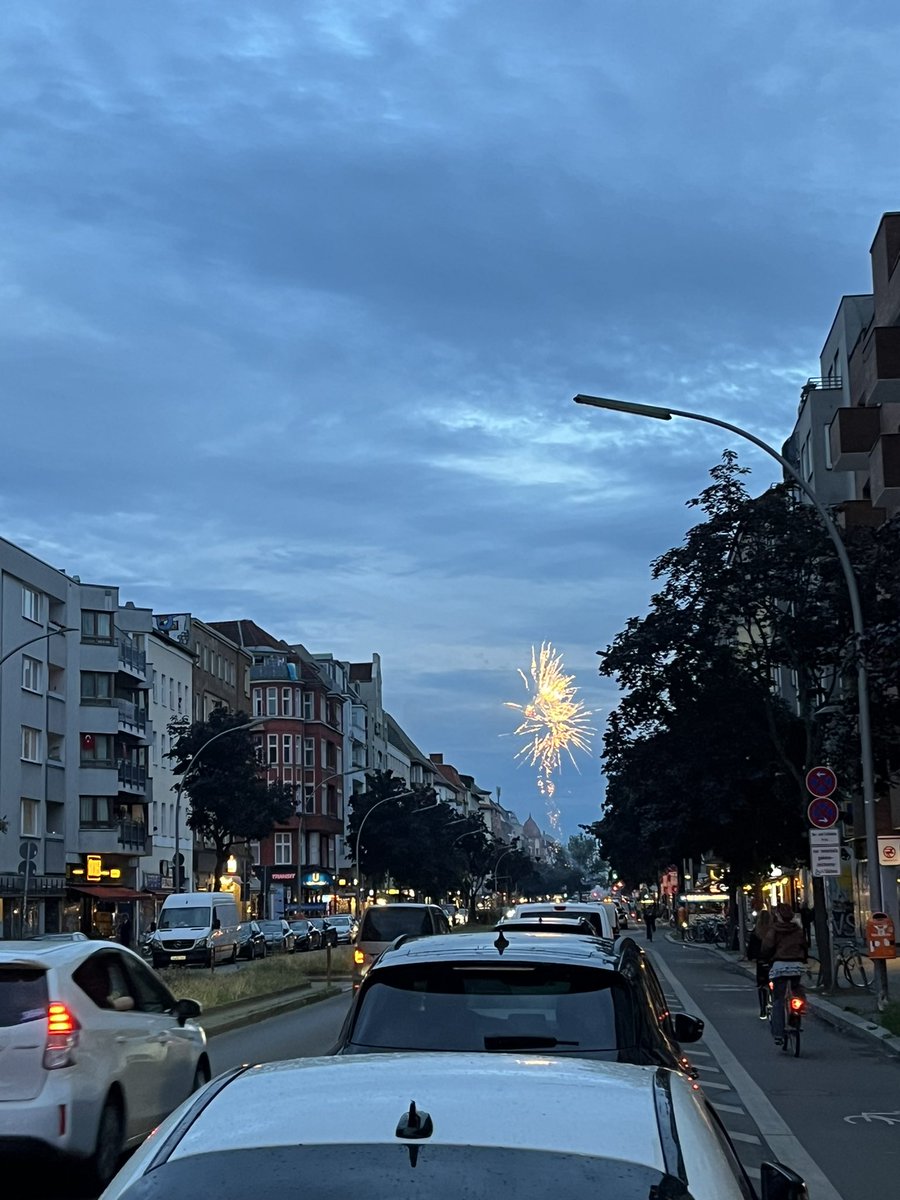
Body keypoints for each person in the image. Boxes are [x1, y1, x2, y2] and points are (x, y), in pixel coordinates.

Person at [759, 903, 807, 1045]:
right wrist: (803, 958)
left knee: (778, 999)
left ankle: (778, 1033)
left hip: (780, 965)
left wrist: (764, 959)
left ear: (778, 916)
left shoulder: (774, 930)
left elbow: (767, 946)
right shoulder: (797, 929)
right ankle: (798, 1011)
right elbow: (804, 945)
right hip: (796, 965)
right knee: (796, 989)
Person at [747, 908, 773, 1019]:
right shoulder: (773, 931)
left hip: (761, 961)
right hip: (773, 960)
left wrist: (751, 957)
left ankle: (763, 1010)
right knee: (776, 982)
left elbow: (751, 948)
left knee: (762, 985)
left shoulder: (756, 932)